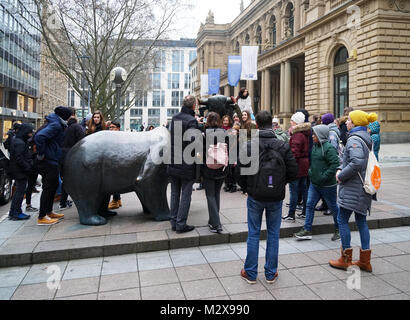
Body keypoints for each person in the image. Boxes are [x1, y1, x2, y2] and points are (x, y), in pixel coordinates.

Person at [238, 111, 298, 284]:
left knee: (254, 233)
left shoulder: (249, 145)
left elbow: (239, 171)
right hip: (276, 196)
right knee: (273, 234)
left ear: (257, 124)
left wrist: (247, 187)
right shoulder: (282, 145)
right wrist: (279, 184)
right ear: (271, 125)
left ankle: (250, 273)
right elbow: (293, 171)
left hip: (255, 195)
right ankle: (271, 273)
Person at [329, 110, 378, 273]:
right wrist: (340, 167)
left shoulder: (354, 139)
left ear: (355, 123)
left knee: (342, 219)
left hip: (353, 187)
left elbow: (356, 162)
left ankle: (345, 258)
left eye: (349, 120)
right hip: (361, 187)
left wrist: (340, 176)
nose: (347, 122)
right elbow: (352, 160)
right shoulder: (365, 137)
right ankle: (365, 261)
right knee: (361, 221)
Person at [294, 125, 341, 241]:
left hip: (327, 185)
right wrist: (311, 172)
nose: (313, 136)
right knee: (309, 205)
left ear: (321, 135)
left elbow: (335, 164)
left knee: (333, 207)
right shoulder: (315, 146)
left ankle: (339, 229)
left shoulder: (329, 148)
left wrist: (324, 176)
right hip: (314, 184)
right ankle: (307, 229)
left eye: (315, 134)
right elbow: (313, 162)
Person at [167, 95, 200, 234]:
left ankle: (174, 221)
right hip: (186, 163)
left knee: (174, 193)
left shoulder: (174, 118)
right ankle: (181, 224)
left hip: (174, 160)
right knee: (186, 194)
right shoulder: (191, 121)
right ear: (193, 106)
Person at [35, 106, 72, 225]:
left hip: (52, 159)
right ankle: (42, 216)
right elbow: (40, 137)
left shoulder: (55, 122)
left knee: (53, 186)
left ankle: (49, 212)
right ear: (65, 116)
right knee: (48, 188)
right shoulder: (56, 125)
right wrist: (41, 154)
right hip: (49, 161)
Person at [202, 112, 229, 233]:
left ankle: (216, 224)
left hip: (208, 169)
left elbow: (199, 153)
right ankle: (213, 220)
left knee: (210, 195)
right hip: (222, 168)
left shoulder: (204, 134)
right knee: (216, 194)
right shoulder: (225, 133)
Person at [283, 112, 311, 222]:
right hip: (304, 165)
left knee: (294, 191)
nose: (290, 122)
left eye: (292, 120)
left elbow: (294, 153)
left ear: (296, 122)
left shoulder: (297, 135)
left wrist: (289, 167)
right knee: (304, 189)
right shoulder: (304, 133)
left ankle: (291, 214)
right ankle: (305, 212)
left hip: (297, 166)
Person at [59, 108, 85, 211]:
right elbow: (83, 142)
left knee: (65, 179)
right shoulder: (77, 127)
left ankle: (63, 202)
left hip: (62, 156)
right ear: (74, 115)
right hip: (73, 156)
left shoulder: (63, 127)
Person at [7, 124, 34, 220]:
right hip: (20, 171)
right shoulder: (20, 143)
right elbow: (20, 158)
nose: (31, 134)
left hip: (17, 170)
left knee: (19, 191)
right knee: (20, 192)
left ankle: (13, 211)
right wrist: (28, 167)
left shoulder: (17, 140)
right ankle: (16, 212)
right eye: (30, 132)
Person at [108, 121, 123, 210]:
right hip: (113, 162)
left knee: (115, 182)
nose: (111, 129)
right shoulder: (111, 137)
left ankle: (115, 200)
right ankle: (117, 199)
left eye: (113, 127)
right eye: (110, 127)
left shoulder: (120, 137)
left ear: (118, 128)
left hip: (118, 162)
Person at [24, 135, 40, 213]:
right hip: (32, 169)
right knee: (29, 186)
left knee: (30, 186)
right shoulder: (30, 145)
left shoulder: (29, 143)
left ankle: (28, 204)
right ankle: (28, 205)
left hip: (33, 168)